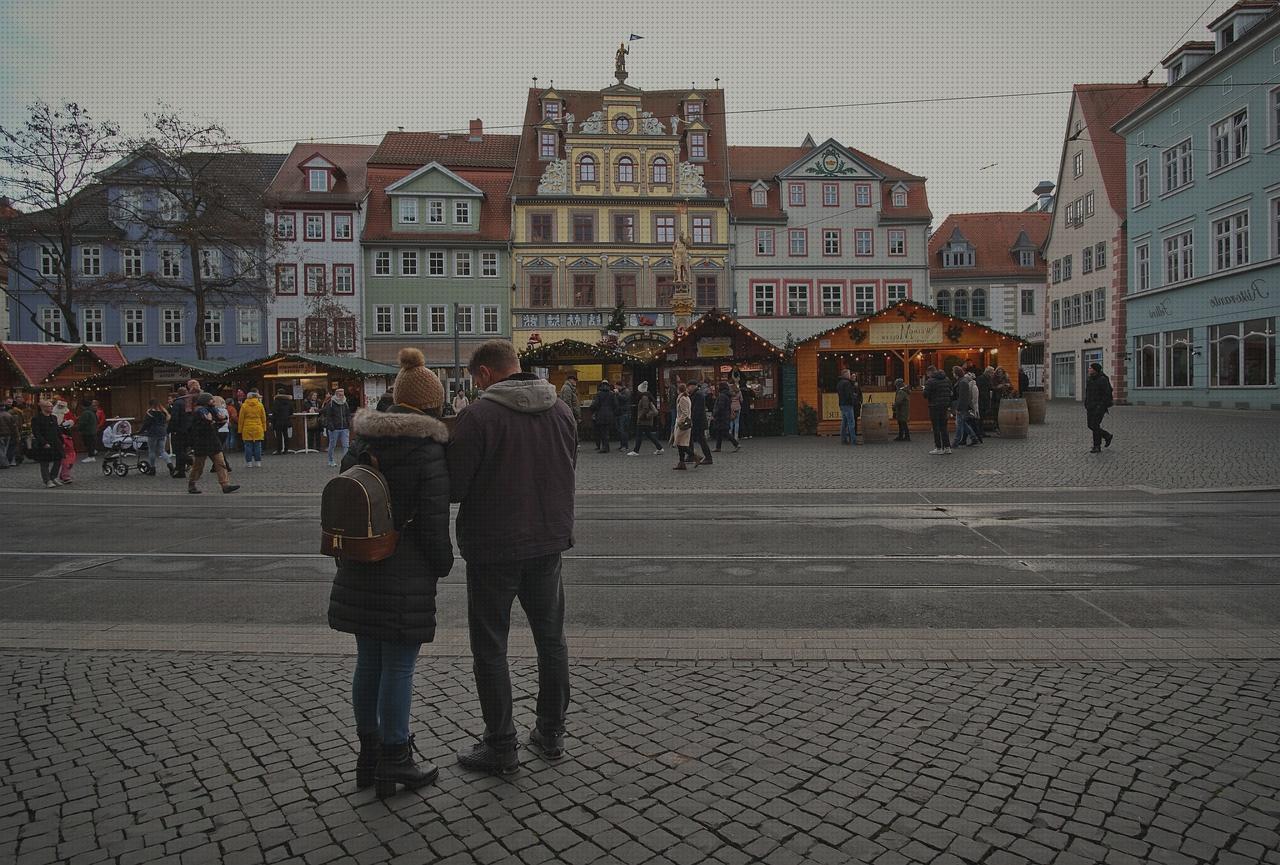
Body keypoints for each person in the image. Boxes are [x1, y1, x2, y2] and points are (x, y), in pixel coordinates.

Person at [328, 347, 454, 799]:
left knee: (369, 661)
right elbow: (436, 525)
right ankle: (396, 757)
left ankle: (369, 755)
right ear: (431, 404)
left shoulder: (363, 442)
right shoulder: (427, 452)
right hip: (405, 569)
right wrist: (442, 565)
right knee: (399, 666)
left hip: (360, 562)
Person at [447, 339, 576, 775]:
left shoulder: (477, 416)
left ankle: (502, 745)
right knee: (551, 640)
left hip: (493, 546)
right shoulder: (561, 411)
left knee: (490, 646)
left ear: (484, 374)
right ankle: (551, 731)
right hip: (547, 541)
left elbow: (454, 487)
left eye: (473, 379)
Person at [187, 393, 239, 494]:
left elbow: (220, 419)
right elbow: (203, 424)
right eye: (211, 400)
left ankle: (225, 485)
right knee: (198, 466)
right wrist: (212, 422)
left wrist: (219, 421)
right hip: (202, 442)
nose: (213, 402)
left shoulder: (212, 410)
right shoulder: (199, 411)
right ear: (206, 401)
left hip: (213, 440)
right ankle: (192, 483)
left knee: (221, 463)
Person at [30, 400, 64, 488]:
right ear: (43, 407)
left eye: (52, 406)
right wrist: (44, 442)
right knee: (44, 462)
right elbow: (36, 432)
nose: (51, 408)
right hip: (44, 443)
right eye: (49, 406)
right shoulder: (36, 418)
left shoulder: (53, 417)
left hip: (56, 442)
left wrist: (62, 441)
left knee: (58, 459)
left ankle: (53, 477)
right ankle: (47, 480)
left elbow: (57, 430)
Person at [1084, 362, 1114, 454]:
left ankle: (1097, 446)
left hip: (1099, 407)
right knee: (1090, 425)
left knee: (1095, 425)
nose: (1089, 369)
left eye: (1090, 368)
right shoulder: (1089, 379)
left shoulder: (1102, 380)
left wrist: (1101, 406)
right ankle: (1107, 436)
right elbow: (1088, 392)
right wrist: (1086, 403)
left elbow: (1107, 394)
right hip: (1090, 406)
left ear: (1095, 370)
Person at [923, 366, 953, 455]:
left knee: (936, 427)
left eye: (927, 374)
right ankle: (947, 447)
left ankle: (938, 447)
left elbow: (925, 395)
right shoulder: (947, 379)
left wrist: (925, 389)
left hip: (934, 406)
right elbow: (951, 391)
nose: (927, 376)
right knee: (944, 427)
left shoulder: (930, 381)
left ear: (930, 372)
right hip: (945, 405)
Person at [628, 381, 664, 455]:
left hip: (643, 420)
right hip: (646, 420)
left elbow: (645, 408)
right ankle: (659, 448)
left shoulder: (644, 397)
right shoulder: (647, 396)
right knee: (648, 434)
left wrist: (640, 416)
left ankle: (636, 451)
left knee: (639, 435)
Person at [322, 387, 352, 468]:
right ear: (336, 395)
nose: (341, 396)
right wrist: (331, 426)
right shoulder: (331, 403)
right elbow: (328, 416)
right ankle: (331, 460)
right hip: (334, 428)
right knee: (332, 445)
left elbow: (348, 414)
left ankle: (346, 462)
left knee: (346, 445)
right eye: (340, 395)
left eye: (342, 394)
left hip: (344, 427)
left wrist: (349, 422)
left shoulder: (345, 403)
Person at [168, 387, 194, 477]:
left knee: (178, 451)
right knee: (183, 450)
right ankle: (180, 471)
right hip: (187, 430)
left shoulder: (177, 403)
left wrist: (171, 429)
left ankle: (190, 461)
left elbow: (174, 418)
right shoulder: (187, 403)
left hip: (178, 431)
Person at [139, 399, 171, 473]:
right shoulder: (164, 412)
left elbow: (146, 424)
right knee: (162, 451)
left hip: (153, 433)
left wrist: (140, 431)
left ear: (150, 404)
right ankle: (170, 465)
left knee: (152, 451)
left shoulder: (149, 413)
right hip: (163, 432)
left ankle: (152, 468)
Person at [952, 366, 980, 448]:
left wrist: (959, 408)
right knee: (963, 423)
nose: (953, 374)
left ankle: (956, 442)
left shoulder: (962, 382)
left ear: (956, 373)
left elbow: (962, 397)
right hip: (962, 405)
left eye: (953, 373)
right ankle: (974, 438)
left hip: (962, 406)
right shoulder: (962, 381)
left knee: (959, 424)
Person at [671, 382, 697, 469]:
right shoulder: (686, 397)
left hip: (683, 424)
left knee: (680, 443)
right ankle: (681, 463)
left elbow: (685, 413)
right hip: (684, 423)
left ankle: (695, 456)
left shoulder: (682, 399)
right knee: (680, 443)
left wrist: (679, 422)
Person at [237, 390, 266, 467]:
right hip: (258, 427)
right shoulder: (260, 405)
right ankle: (258, 462)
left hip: (247, 427)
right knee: (257, 446)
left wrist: (240, 430)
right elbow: (263, 417)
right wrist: (264, 428)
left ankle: (249, 462)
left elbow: (241, 419)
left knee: (248, 446)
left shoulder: (244, 406)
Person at [712, 381, 740, 453]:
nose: (718, 387)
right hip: (725, 415)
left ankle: (736, 444)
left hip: (721, 417)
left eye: (719, 386)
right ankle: (718, 447)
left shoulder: (722, 396)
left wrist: (715, 413)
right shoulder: (727, 395)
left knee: (725, 432)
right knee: (720, 432)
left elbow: (720, 407)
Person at [689, 380, 713, 465]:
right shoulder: (696, 394)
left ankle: (708, 457)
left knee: (701, 440)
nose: (688, 389)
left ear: (693, 386)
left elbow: (697, 410)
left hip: (698, 422)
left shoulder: (698, 394)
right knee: (691, 438)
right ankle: (691, 455)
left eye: (689, 387)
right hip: (697, 421)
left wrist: (692, 419)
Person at [589, 381, 616, 453]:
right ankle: (606, 447)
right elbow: (615, 404)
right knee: (606, 431)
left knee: (602, 432)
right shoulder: (612, 394)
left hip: (601, 415)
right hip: (609, 415)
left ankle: (605, 447)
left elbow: (595, 404)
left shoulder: (599, 394)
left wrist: (592, 408)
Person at [836, 369, 858, 446]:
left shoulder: (839, 383)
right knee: (851, 423)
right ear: (846, 375)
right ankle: (853, 440)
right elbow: (849, 395)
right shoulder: (847, 383)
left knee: (844, 423)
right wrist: (854, 399)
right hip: (848, 404)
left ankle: (843, 439)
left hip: (842, 404)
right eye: (849, 374)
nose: (850, 375)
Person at [271, 388, 294, 455]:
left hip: (278, 420)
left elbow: (274, 411)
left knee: (279, 436)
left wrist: (272, 419)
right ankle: (286, 449)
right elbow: (291, 411)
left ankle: (279, 450)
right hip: (286, 420)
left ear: (278, 393)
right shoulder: (289, 401)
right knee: (285, 434)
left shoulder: (276, 401)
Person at [614, 380, 631, 454]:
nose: (615, 387)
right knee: (620, 430)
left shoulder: (626, 391)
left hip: (624, 413)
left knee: (623, 430)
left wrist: (617, 394)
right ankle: (622, 445)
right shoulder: (621, 391)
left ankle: (625, 446)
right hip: (620, 413)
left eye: (616, 386)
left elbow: (625, 399)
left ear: (618, 385)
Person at [57, 420, 76, 484]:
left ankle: (62, 475)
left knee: (70, 465)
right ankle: (65, 476)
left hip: (71, 452)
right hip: (66, 452)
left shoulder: (68, 436)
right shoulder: (63, 436)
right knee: (66, 465)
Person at [0, 401, 17, 469]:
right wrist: (15, 434)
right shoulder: (8, 415)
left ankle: (4, 463)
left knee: (1, 449)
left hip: (1, 434)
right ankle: (5, 462)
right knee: (5, 449)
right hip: (8, 434)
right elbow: (13, 426)